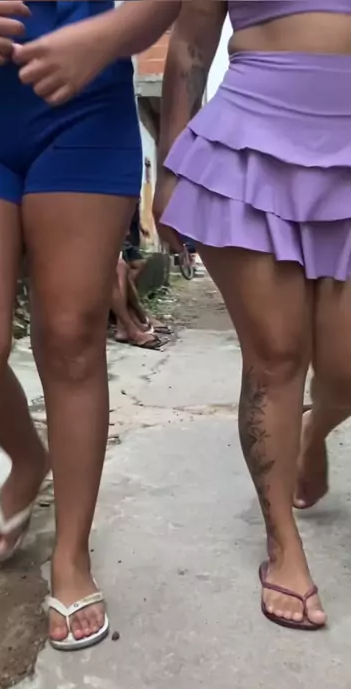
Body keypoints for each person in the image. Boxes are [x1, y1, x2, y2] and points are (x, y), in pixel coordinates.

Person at [0, 0, 181, 651]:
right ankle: (29, 460)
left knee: (72, 338)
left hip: (84, 99)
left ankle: (71, 554)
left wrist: (105, 37)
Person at [154, 0, 351, 631]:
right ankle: (282, 544)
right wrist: (170, 167)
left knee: (345, 371)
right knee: (276, 356)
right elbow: (190, 42)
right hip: (250, 145)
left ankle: (312, 435)